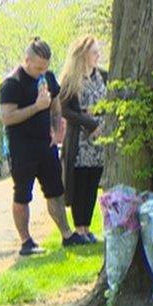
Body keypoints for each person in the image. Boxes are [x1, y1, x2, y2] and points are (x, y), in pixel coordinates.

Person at [0, 38, 87, 255]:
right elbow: (7, 117)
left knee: (56, 189)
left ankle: (67, 235)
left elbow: (55, 102)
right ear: (26, 60)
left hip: (45, 145)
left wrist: (57, 128)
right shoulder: (12, 83)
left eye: (45, 67)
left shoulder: (47, 77)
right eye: (38, 67)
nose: (42, 71)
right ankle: (26, 242)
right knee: (22, 194)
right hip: (22, 148)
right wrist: (36, 107)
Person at [59, 36, 108, 244]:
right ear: (83, 55)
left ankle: (87, 227)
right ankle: (78, 228)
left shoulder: (103, 76)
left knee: (92, 184)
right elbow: (66, 111)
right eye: (94, 52)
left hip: (100, 142)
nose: (98, 56)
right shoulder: (71, 79)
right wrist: (90, 124)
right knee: (80, 184)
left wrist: (102, 123)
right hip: (80, 142)